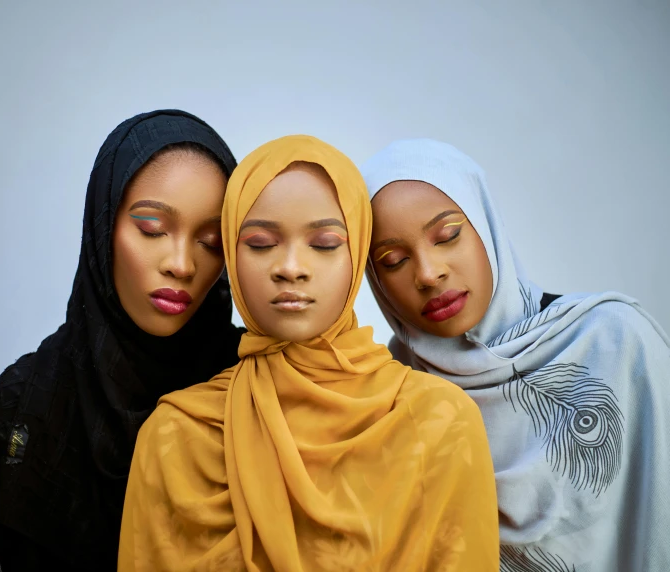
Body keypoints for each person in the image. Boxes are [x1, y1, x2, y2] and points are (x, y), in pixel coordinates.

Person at [119, 135, 499, 571]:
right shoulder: (176, 435)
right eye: (261, 243)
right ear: (230, 256)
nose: (291, 267)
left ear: (357, 257)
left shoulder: (440, 421)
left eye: (324, 244)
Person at [361, 138, 670, 571]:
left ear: (486, 225)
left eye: (448, 235)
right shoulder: (386, 402)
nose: (429, 274)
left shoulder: (615, 345)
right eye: (393, 260)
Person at [0, 110, 245, 571]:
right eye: (152, 229)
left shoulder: (258, 384)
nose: (182, 264)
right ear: (103, 226)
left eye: (211, 242)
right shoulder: (23, 407)